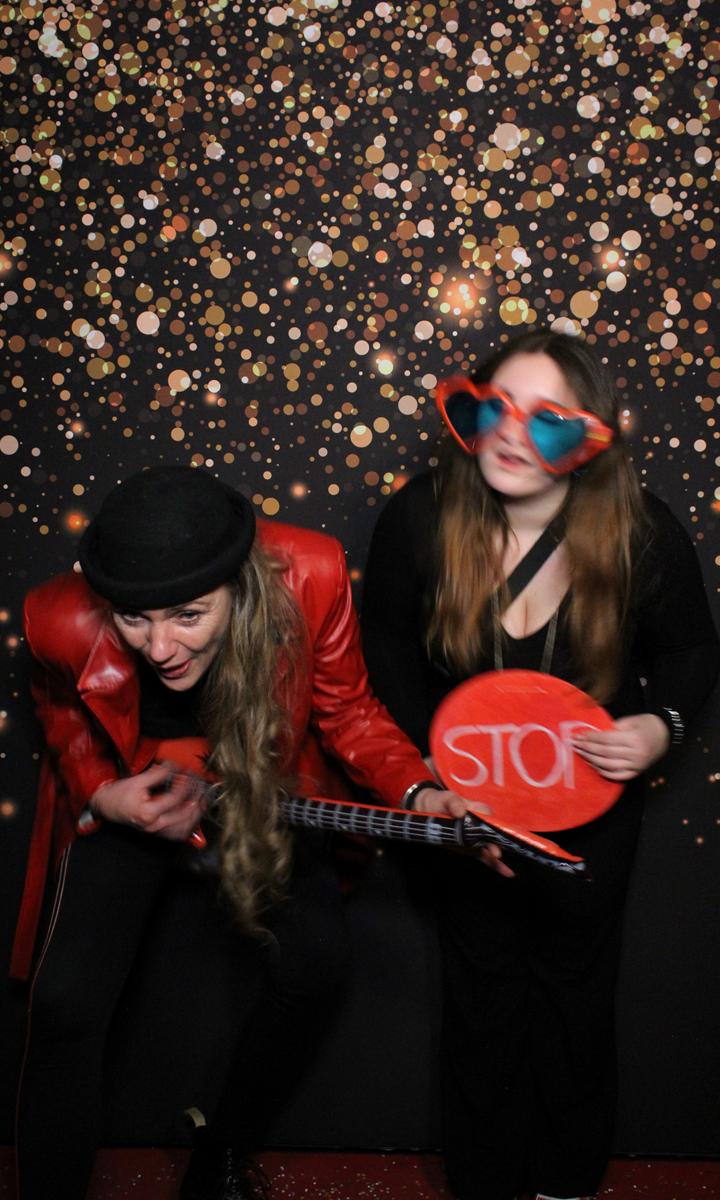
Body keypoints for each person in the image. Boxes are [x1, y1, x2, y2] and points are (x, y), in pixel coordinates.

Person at [11, 464, 478, 1200]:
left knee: (316, 967)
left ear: (238, 584)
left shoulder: (311, 574)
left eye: (188, 616)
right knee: (64, 1001)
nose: (159, 647)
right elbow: (64, 715)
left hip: (260, 782)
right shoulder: (55, 619)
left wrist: (419, 791)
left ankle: (221, 1150)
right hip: (136, 788)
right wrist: (103, 792)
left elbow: (348, 711)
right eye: (134, 618)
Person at [361, 329, 719, 1200]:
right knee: (480, 995)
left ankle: (565, 1182)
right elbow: (387, 648)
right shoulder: (420, 517)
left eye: (548, 420)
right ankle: (484, 1182)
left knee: (576, 998)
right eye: (492, 409)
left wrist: (660, 728)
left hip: (591, 810)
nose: (512, 436)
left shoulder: (637, 528)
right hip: (470, 812)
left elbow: (692, 651)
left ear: (590, 439)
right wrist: (431, 769)